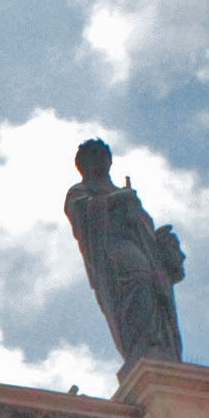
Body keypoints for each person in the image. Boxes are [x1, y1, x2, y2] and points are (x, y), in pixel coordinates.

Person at [65, 138, 185, 368]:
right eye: (93, 155)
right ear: (83, 164)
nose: (100, 159)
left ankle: (160, 345)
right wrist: (116, 201)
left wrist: (160, 240)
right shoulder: (79, 191)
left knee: (155, 289)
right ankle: (144, 342)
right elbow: (81, 213)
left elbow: (144, 224)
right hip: (114, 247)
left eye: (103, 155)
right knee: (138, 279)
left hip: (142, 247)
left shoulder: (125, 192)